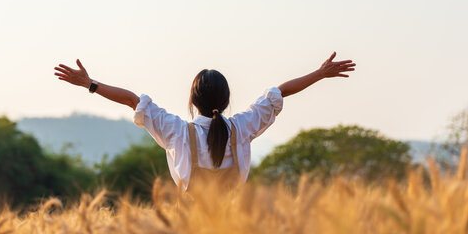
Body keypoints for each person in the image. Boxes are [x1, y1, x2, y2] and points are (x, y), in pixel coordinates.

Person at [54, 52, 355, 191]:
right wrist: (319, 73)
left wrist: (90, 84)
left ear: (192, 100)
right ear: (226, 100)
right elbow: (279, 93)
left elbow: (133, 100)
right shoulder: (242, 126)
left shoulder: (175, 130)